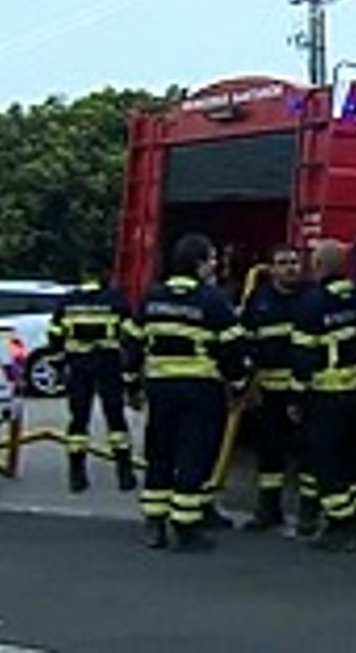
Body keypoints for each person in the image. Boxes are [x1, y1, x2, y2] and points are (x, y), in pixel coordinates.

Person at [126, 234, 247, 552]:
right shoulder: (212, 300)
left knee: (160, 453)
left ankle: (154, 524)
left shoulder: (152, 297)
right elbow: (232, 349)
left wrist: (130, 384)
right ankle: (186, 525)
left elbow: (132, 343)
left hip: (160, 389)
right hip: (200, 390)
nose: (215, 265)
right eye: (211, 259)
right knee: (194, 455)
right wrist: (238, 383)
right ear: (198, 264)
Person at [292, 240, 356, 551]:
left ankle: (340, 525)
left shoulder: (312, 303)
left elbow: (303, 356)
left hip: (326, 395)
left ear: (319, 266)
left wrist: (297, 398)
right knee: (355, 461)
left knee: (326, 461)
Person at [239, 244, 319, 534]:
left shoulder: (312, 298)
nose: (290, 268)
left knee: (309, 452)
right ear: (271, 269)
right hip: (269, 391)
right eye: (283, 263)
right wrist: (247, 384)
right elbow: (246, 342)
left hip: (307, 391)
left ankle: (310, 513)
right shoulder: (259, 300)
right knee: (269, 452)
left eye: (294, 262)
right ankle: (268, 509)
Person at [47, 257, 137, 493]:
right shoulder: (115, 299)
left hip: (78, 367)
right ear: (105, 274)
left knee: (78, 420)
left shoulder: (67, 301)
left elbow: (55, 335)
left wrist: (59, 362)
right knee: (115, 418)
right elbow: (130, 334)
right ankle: (124, 473)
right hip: (108, 365)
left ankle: (77, 475)